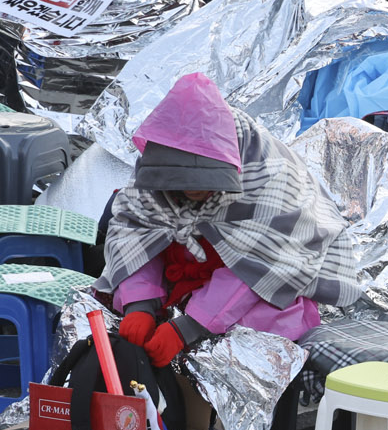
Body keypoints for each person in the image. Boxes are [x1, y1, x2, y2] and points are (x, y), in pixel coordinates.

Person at [97, 73, 361, 366]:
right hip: (182, 278)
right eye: (181, 180)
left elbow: (263, 264)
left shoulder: (273, 180)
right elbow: (135, 233)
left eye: (206, 179)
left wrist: (189, 327)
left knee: (263, 327)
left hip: (257, 289)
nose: (193, 188)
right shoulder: (152, 174)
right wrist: (140, 303)